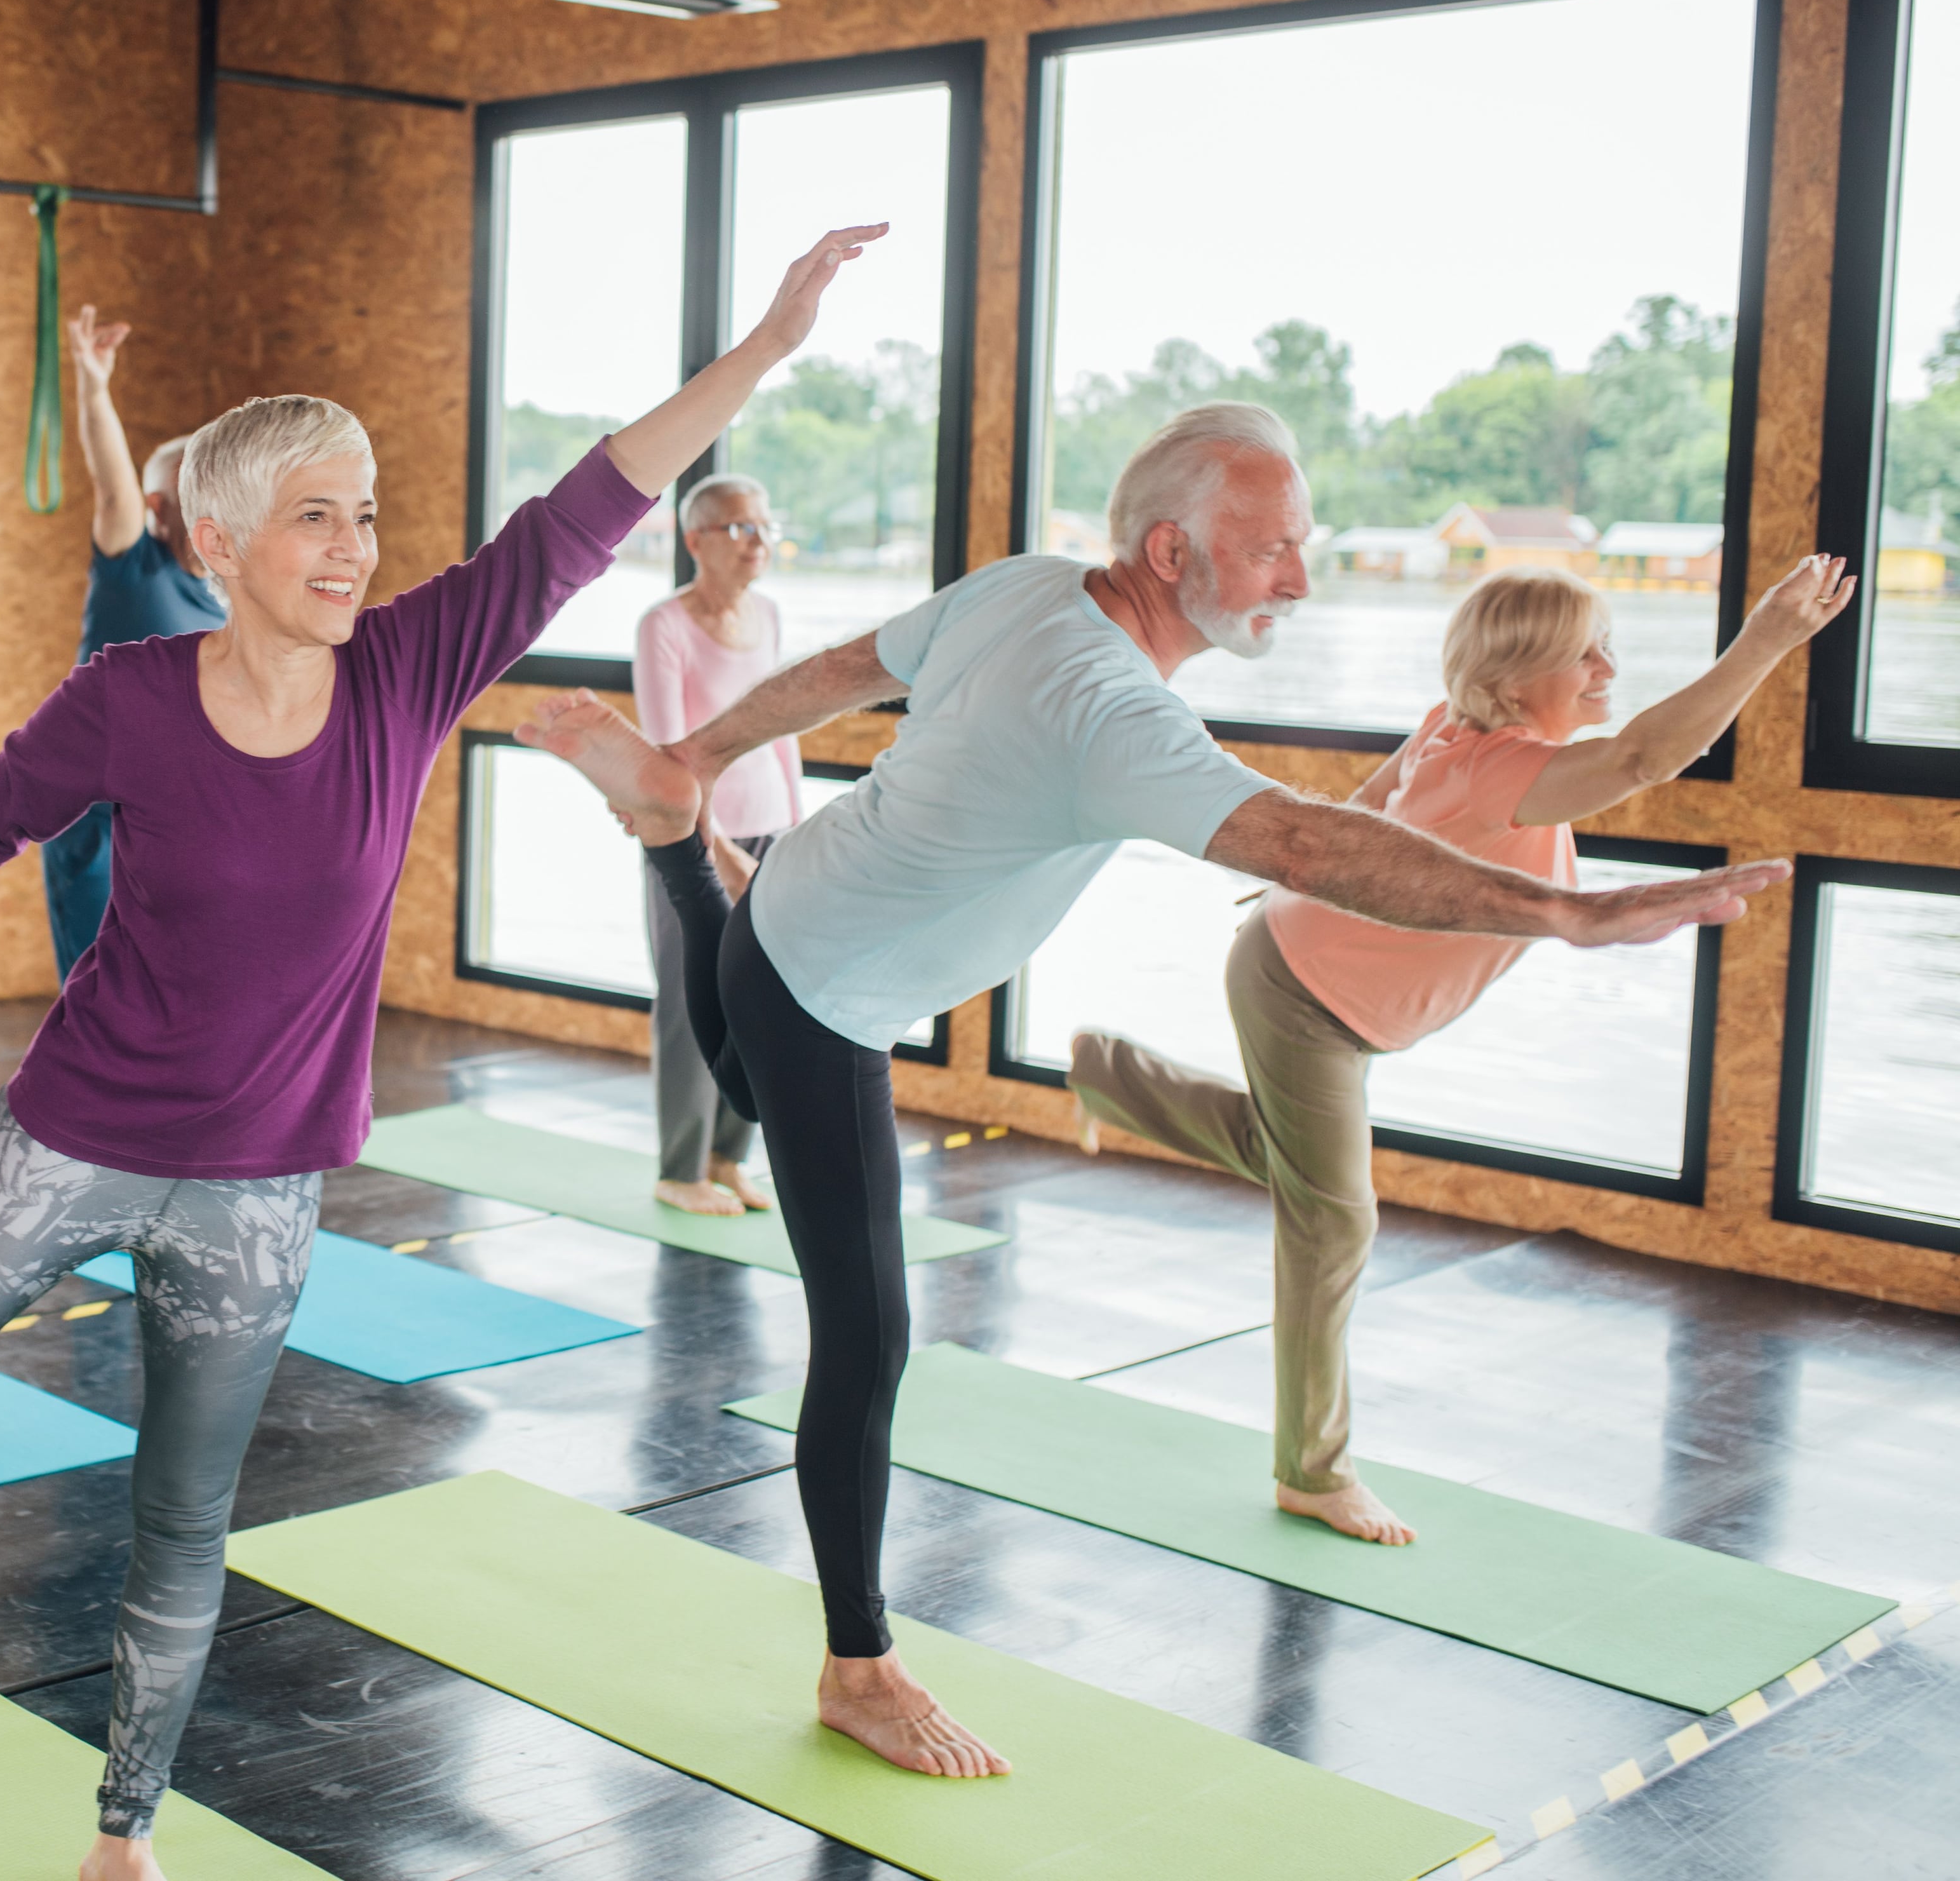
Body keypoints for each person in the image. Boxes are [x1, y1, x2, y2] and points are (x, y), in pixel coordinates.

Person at [0, 224, 888, 1881]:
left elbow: (593, 498)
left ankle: (122, 1836)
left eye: (366, 514)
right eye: (316, 516)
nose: (356, 548)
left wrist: (772, 344)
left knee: (185, 1514)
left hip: (262, 1186)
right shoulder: (134, 693)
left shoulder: (413, 670)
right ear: (218, 538)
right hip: (74, 1131)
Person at [513, 400, 1782, 1781]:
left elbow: (835, 670)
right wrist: (1576, 917)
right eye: (1273, 550)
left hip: (786, 912)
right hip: (827, 996)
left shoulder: (1026, 587)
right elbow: (1314, 844)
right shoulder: (1113, 710)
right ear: (1172, 550)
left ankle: (669, 834)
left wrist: (696, 759)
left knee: (733, 1050)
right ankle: (858, 1668)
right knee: (866, 1334)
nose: (1298, 578)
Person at [1066, 553, 1855, 1545]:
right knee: (1334, 1224)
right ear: (1517, 675)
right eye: (1586, 654)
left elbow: (1363, 807)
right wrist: (1769, 639)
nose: (1609, 670)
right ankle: (1313, 1470)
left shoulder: (1458, 731)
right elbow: (1643, 757)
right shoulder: (1496, 765)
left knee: (1300, 1172)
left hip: (1306, 971)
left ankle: (1107, 1072)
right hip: (1305, 994)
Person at [634, 472, 802, 1217]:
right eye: (738, 527)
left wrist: (795, 831)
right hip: (691, 840)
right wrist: (707, 847)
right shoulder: (662, 625)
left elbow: (783, 729)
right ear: (693, 538)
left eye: (764, 525)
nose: (756, 540)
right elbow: (670, 751)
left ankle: (728, 1156)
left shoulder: (767, 615)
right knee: (689, 998)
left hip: (769, 829)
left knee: (762, 999)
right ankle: (679, 1168)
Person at [41, 303, 225, 980]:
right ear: (157, 508)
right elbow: (113, 486)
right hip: (98, 834)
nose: (217, 501)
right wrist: (92, 383)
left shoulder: (225, 596)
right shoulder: (133, 568)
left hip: (181, 834)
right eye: (196, 488)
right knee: (99, 1006)